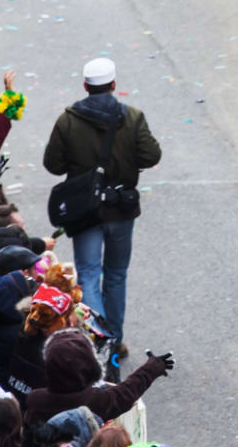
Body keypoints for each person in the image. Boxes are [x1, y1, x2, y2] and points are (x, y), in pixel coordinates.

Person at [42, 58, 162, 371]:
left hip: (85, 211)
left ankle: (98, 342)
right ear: (113, 85)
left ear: (85, 86)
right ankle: (115, 338)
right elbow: (151, 154)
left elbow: (53, 164)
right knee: (117, 275)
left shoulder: (68, 120)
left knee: (89, 274)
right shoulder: (132, 117)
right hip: (121, 208)